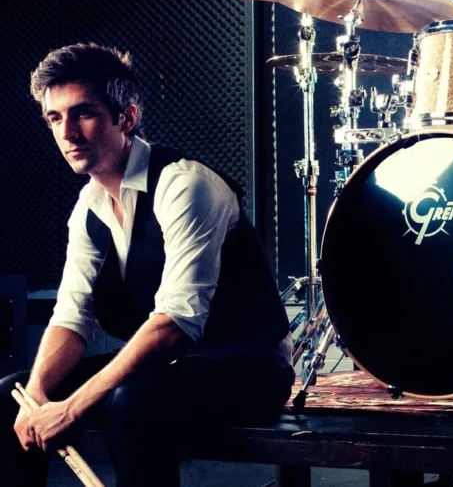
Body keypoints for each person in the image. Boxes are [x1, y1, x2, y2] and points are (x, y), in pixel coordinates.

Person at [0, 43, 293, 487]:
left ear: (127, 118)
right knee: (13, 393)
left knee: (132, 401)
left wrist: (71, 407)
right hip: (169, 368)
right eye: (54, 118)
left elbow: (174, 324)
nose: (67, 132)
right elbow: (71, 318)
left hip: (251, 365)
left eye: (83, 113)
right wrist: (39, 393)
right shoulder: (88, 206)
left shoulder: (186, 185)